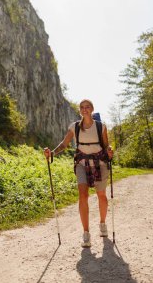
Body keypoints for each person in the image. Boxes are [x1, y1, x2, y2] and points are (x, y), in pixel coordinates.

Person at [44, 99, 113, 248]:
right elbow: (64, 144)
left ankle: (102, 223)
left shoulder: (101, 127)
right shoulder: (74, 127)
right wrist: (52, 153)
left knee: (101, 195)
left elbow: (106, 145)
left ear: (92, 109)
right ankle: (86, 234)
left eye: (87, 107)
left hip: (99, 163)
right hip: (82, 163)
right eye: (82, 107)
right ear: (80, 110)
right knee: (83, 195)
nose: (84, 109)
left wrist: (109, 151)